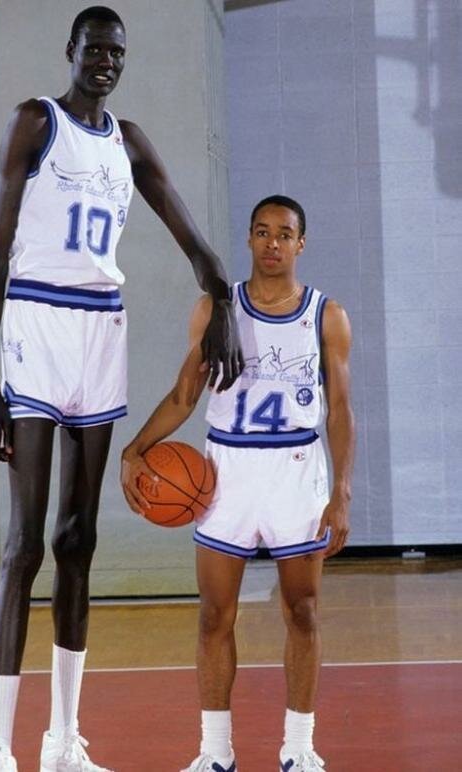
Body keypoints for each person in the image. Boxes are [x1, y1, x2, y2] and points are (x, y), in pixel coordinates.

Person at [0, 6, 243, 772]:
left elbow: (193, 242)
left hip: (100, 331)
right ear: (71, 51)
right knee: (24, 544)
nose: (106, 62)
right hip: (35, 323)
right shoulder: (37, 121)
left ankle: (65, 738)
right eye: (95, 49)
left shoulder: (127, 142)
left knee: (77, 541)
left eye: (116, 52)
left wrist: (221, 302)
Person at [122, 195, 355, 772]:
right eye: (261, 232)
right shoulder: (216, 310)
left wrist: (341, 490)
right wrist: (136, 448)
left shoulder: (327, 315)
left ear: (301, 243)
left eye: (284, 234)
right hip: (227, 473)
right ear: (249, 240)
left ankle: (298, 749)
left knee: (302, 611)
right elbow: (184, 396)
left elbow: (341, 409)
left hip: (296, 473)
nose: (272, 243)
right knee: (213, 616)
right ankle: (215, 753)